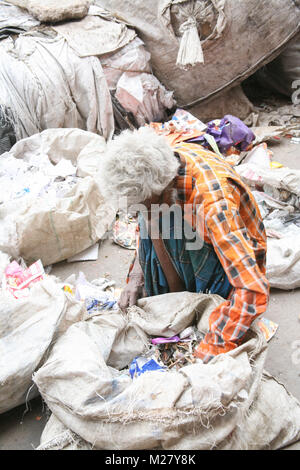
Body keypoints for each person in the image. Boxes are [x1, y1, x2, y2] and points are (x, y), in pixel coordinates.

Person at [98, 126, 269, 363]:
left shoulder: (212, 203)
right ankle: (176, 303)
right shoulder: (162, 165)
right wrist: (136, 276)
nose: (142, 214)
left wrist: (214, 346)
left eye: (143, 205)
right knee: (153, 219)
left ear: (163, 188)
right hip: (181, 212)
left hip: (231, 257)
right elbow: (147, 217)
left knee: (160, 219)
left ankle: (194, 305)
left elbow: (252, 287)